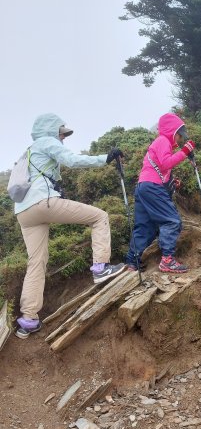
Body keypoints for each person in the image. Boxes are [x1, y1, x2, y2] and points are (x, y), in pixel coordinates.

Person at [14, 113, 125, 339]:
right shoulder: (48, 142)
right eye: (62, 134)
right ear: (53, 130)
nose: (63, 139)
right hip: (42, 202)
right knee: (100, 217)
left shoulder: (29, 150)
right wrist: (106, 158)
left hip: (23, 212)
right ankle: (101, 268)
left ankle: (28, 320)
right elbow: (73, 161)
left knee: (36, 262)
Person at [125, 113, 195, 274]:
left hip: (143, 187)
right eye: (179, 135)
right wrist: (185, 152)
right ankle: (167, 260)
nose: (179, 139)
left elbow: (158, 170)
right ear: (172, 131)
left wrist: (171, 183)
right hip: (151, 187)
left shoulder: (160, 143)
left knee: (145, 227)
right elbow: (164, 164)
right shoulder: (163, 140)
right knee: (171, 221)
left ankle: (131, 262)